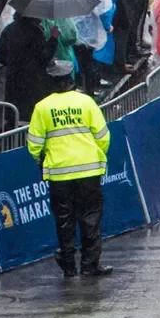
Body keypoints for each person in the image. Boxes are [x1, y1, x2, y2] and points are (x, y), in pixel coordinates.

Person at [27, 59, 114, 278]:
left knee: (64, 219)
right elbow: (103, 136)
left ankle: (68, 266)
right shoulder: (86, 102)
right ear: (71, 79)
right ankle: (90, 264)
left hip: (59, 173)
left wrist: (42, 160)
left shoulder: (42, 107)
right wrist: (97, 155)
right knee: (90, 217)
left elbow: (34, 144)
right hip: (88, 171)